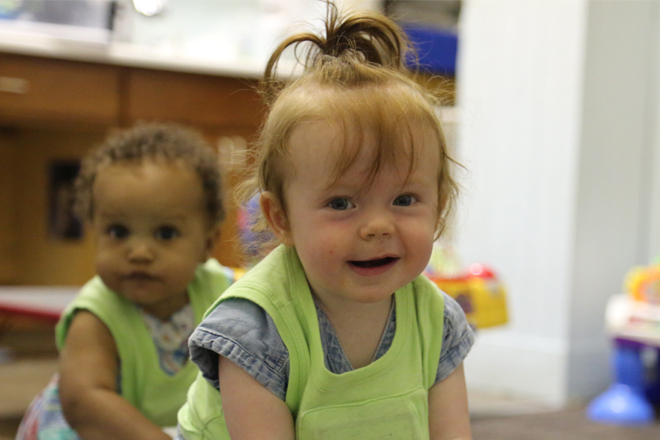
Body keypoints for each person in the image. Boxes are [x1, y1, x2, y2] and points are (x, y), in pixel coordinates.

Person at [177, 3, 474, 439]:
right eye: (341, 203)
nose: (377, 226)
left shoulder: (438, 320)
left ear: (439, 208)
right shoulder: (257, 327)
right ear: (281, 218)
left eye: (404, 199)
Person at [16, 123, 235, 440]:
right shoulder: (96, 315)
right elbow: (84, 401)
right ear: (94, 230)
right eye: (118, 232)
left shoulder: (223, 293)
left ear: (207, 243)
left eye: (165, 233)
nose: (140, 252)